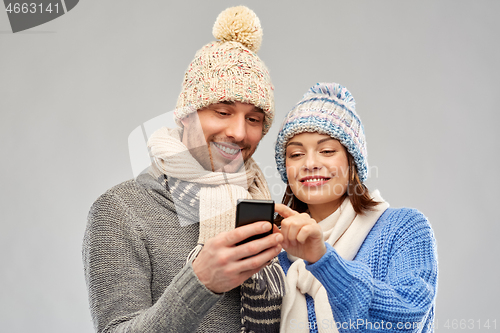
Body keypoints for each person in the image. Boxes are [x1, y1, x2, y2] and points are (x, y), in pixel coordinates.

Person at [82, 6, 285, 333]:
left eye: (254, 119)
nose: (239, 132)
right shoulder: (120, 211)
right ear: (185, 115)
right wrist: (200, 281)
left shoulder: (262, 210)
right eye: (222, 111)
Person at [273, 83, 438, 332]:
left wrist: (323, 260)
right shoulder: (275, 248)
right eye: (296, 154)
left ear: (353, 163)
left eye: (327, 150)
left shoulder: (403, 227)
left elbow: (406, 318)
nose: (310, 163)